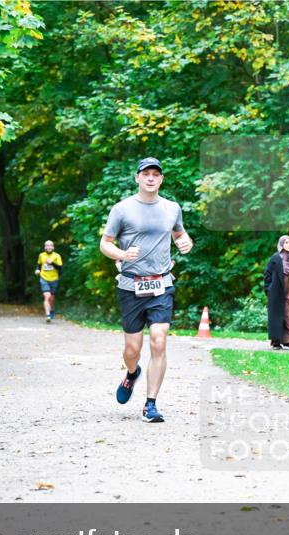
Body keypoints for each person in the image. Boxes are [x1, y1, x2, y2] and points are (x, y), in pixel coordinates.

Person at [99, 157, 194, 423]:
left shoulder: (172, 208)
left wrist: (186, 242)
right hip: (131, 284)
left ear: (161, 179)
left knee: (159, 340)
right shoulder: (121, 209)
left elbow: (179, 235)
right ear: (137, 178)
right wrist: (122, 253)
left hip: (161, 283)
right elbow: (105, 244)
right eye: (146, 174)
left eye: (156, 174)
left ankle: (150, 404)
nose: (151, 178)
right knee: (132, 349)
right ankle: (132, 373)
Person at [35, 240, 63, 323]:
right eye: (47, 245)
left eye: (51, 245)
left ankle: (52, 309)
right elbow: (39, 265)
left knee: (52, 298)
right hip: (44, 278)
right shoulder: (41, 255)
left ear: (53, 247)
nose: (49, 247)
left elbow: (60, 268)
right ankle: (48, 315)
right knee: (47, 296)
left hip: (54, 279)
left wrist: (52, 263)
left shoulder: (57, 256)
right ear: (45, 247)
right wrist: (37, 270)